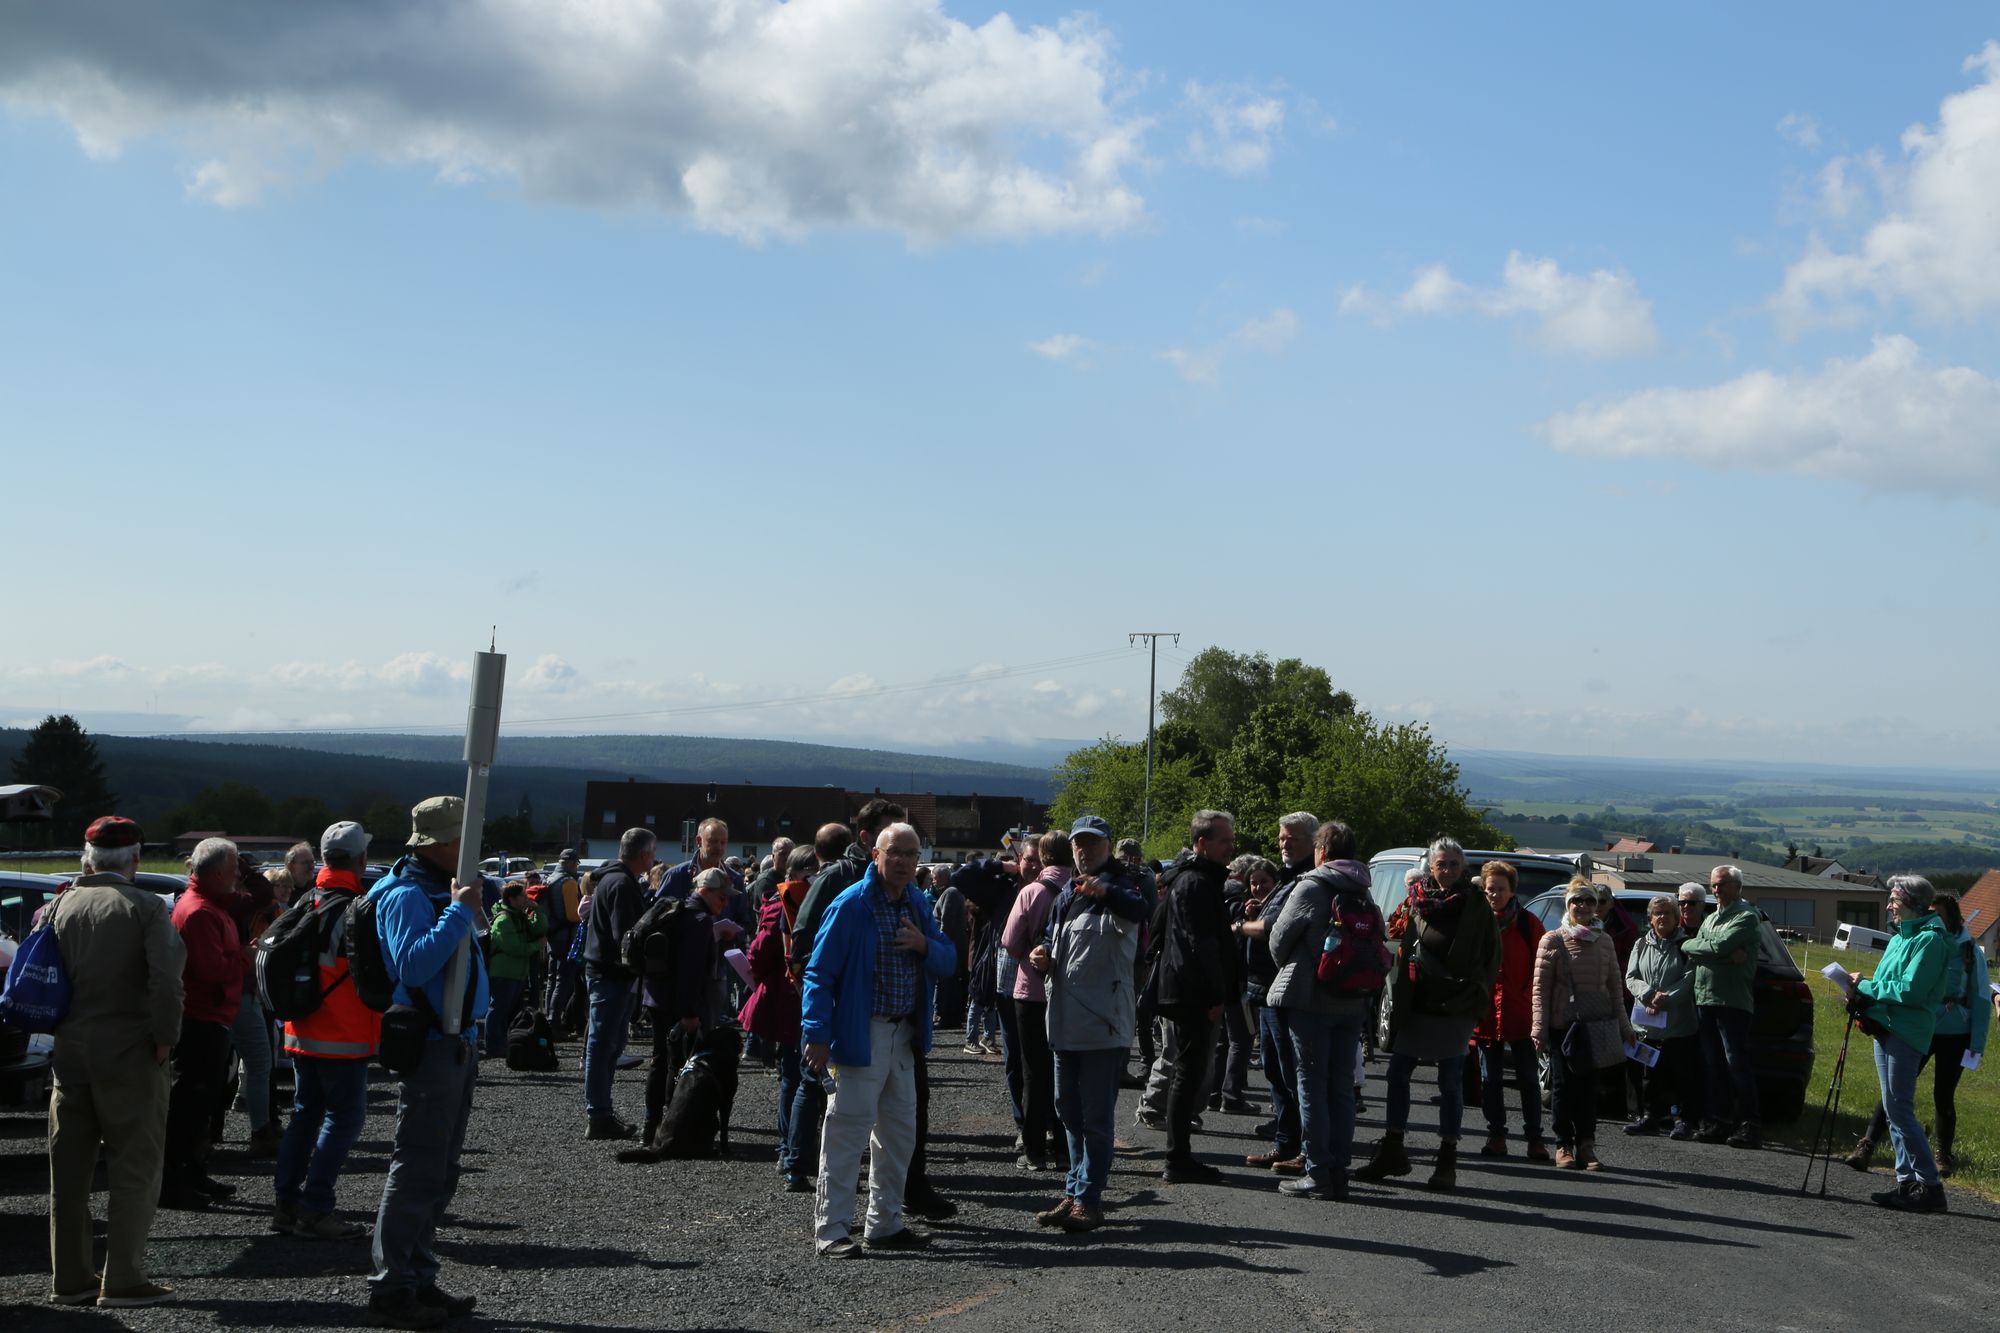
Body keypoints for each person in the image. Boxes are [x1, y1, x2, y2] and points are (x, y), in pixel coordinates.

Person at [47, 816, 184, 1310]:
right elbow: (166, 981)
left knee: (68, 1173)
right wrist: (166, 1039)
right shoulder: (144, 907)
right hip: (130, 1054)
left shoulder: (57, 906)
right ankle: (123, 1278)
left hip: (69, 1054)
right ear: (136, 859)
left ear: (88, 859)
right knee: (134, 1167)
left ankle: (70, 1278)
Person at [364, 796, 490, 1330]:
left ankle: (417, 1274)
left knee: (440, 1169)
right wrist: (459, 911)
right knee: (418, 1166)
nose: (472, 847)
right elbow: (413, 966)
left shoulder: (435, 887)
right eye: (465, 837)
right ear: (445, 842)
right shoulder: (407, 894)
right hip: (432, 1044)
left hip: (454, 1041)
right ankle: (392, 1287)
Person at [801, 823, 955, 1258]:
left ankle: (884, 1223)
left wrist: (924, 946)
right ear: (876, 855)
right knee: (847, 1131)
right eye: (895, 852)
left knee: (899, 1134)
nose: (903, 861)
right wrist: (816, 1033)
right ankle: (831, 1229)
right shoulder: (851, 905)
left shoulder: (918, 904)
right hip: (861, 1032)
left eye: (911, 853)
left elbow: (948, 960)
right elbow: (818, 973)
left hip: (903, 1036)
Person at [1355, 837, 1497, 1191]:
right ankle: (1392, 1149)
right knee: (1397, 1073)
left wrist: (1474, 998)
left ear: (1463, 868)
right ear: (1431, 867)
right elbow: (1401, 941)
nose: (1447, 870)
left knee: (1449, 1082)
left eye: (1453, 864)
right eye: (1441, 864)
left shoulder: (1476, 904)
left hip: (1456, 1005)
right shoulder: (1419, 900)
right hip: (1417, 1001)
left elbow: (1492, 958)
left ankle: (1447, 1159)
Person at [1034, 815, 1148, 1233]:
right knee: (1068, 1111)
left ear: (1109, 846)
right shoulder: (1066, 893)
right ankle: (1074, 1190)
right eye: (1079, 844)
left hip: (1103, 1024)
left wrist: (1106, 892)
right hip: (1064, 1022)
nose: (1084, 851)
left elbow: (1139, 911)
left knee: (1096, 1118)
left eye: (1093, 844)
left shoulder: (1122, 887)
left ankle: (1089, 1198)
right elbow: (1052, 938)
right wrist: (1042, 954)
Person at [273, 821, 383, 1241]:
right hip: (343, 1036)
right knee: (343, 1120)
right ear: (361, 860)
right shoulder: (357, 908)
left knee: (305, 1116)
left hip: (300, 1030)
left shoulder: (307, 901)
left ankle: (286, 1205)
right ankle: (316, 1208)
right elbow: (374, 975)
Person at [1266, 820, 1373, 1200]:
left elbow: (1278, 940)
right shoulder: (1362, 889)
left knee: (1310, 1086)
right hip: (1352, 999)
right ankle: (1338, 1170)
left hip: (1311, 1000)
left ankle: (1317, 1171)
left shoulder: (1312, 886)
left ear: (1322, 851)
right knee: (1341, 1087)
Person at [1849, 894, 1989, 1177]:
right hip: (1917, 1027)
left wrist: (1976, 1044)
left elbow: (1981, 998)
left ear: (1952, 919)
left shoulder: (1969, 951)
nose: (1931, 917)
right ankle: (1867, 1145)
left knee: (1943, 1095)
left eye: (1938, 914)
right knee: (1894, 1092)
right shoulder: (1920, 940)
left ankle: (1942, 1156)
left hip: (1954, 1033)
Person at [1848, 876, 1957, 1212]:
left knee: (1900, 1109)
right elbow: (1886, 982)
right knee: (1893, 1108)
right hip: (1887, 1028)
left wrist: (1866, 988)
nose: (1889, 906)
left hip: (1907, 1032)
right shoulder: (1900, 937)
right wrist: (1860, 993)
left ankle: (1930, 1186)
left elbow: (1911, 990)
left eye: (1894, 900)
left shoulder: (1930, 940)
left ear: (1913, 904)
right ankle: (1907, 1182)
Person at [1147, 809, 1240, 1183]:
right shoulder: (1195, 883)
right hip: (1192, 992)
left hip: (1186, 988)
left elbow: (1159, 932)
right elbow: (1198, 944)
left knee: (1188, 1071)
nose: (1231, 848)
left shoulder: (1189, 880)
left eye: (1232, 840)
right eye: (1224, 841)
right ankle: (1178, 1159)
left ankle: (1179, 1157)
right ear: (1202, 843)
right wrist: (1215, 994)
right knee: (1187, 1073)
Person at [162, 837, 255, 1209]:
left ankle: (192, 1172)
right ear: (217, 873)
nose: (238, 875)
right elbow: (210, 969)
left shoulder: (208, 906)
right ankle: (174, 1182)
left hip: (210, 1016)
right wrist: (246, 957)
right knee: (189, 1103)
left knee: (201, 1103)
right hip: (201, 1019)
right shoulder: (200, 911)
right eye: (234, 868)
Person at [1532, 880, 1637, 1171]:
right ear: (1568, 905)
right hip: (1563, 1027)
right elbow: (1540, 989)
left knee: (1590, 1089)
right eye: (1577, 901)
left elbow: (1615, 988)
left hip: (1595, 1025)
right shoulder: (1553, 939)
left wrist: (1625, 1027)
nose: (1583, 906)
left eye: (1590, 901)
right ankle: (1563, 1144)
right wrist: (1538, 1029)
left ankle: (1586, 1145)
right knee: (1563, 1088)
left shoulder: (1604, 940)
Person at [1236, 815, 1317, 1175]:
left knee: (1291, 1072)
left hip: (1286, 989)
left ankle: (1305, 1150)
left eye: (1292, 839)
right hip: (1268, 989)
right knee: (1274, 1069)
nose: (1284, 844)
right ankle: (1286, 1143)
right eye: (1282, 838)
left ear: (1313, 842)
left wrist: (1241, 927)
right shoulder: (1287, 878)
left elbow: (1275, 928)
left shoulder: (1307, 879)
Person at [644, 867, 742, 1141]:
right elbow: (691, 972)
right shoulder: (699, 921)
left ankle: (652, 1126)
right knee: (678, 1066)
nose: (725, 902)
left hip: (656, 996)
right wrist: (689, 1013)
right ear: (705, 891)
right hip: (678, 1004)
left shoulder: (680, 911)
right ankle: (673, 1127)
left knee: (660, 1061)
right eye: (721, 897)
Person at [744, 844, 819, 1189]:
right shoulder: (785, 904)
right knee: (797, 1077)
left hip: (790, 999)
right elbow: (759, 954)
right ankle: (791, 1149)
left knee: (794, 1076)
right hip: (792, 1000)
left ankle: (790, 1149)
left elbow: (758, 956)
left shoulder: (782, 902)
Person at [580, 827, 659, 1140]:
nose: (654, 859)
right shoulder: (623, 884)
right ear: (644, 854)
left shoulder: (611, 879)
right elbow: (625, 937)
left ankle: (600, 1111)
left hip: (605, 973)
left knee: (605, 1045)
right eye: (653, 853)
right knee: (604, 1046)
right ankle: (598, 1114)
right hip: (611, 975)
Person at [1003, 830, 1072, 1170]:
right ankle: (1065, 1146)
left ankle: (1033, 1150)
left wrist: (1027, 956)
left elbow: (1009, 940)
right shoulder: (1081, 890)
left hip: (1031, 991)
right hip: (1070, 992)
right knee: (1065, 1070)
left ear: (1043, 857)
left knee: (1033, 1070)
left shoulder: (1031, 892)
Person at [1680, 863, 1763, 1149]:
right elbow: (1690, 948)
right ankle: (1719, 1121)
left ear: (1737, 886)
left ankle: (1749, 1125)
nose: (1716, 890)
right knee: (1713, 1065)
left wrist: (1711, 950)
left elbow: (1715, 947)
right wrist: (1720, 955)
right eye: (1713, 885)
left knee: (1736, 1064)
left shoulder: (1746, 917)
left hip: (1732, 1001)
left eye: (1722, 884)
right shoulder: (1711, 918)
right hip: (1705, 998)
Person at [1475, 860, 1549, 1160]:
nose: (1495, 895)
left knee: (1529, 1080)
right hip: (1485, 1014)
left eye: (1500, 889)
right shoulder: (1477, 923)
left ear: (1512, 891)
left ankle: (1534, 1138)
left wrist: (1537, 1009)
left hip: (1522, 1014)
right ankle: (1496, 1136)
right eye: (1490, 889)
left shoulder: (1529, 924)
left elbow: (1542, 970)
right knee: (1489, 1080)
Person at [1624, 893, 1702, 1140]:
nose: (1662, 917)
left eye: (1668, 913)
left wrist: (1664, 998)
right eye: (1657, 913)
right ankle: (1649, 1117)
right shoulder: (1641, 944)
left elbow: (1690, 978)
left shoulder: (1686, 945)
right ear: (1650, 918)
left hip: (1678, 1026)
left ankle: (1682, 1121)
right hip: (1646, 1026)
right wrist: (1648, 995)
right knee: (1649, 1075)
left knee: (1680, 1075)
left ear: (1677, 918)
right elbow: (1631, 977)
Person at [485, 881, 547, 1057]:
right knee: (498, 1009)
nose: (527, 898)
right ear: (512, 899)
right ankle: (493, 1045)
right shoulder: (504, 920)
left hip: (517, 972)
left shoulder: (519, 916)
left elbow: (540, 928)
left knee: (509, 1010)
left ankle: (504, 1043)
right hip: (504, 972)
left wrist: (537, 910)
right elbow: (515, 948)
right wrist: (536, 945)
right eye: (523, 896)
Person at [540, 850, 585, 1018]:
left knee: (551, 979)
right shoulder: (569, 882)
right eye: (576, 864)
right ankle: (554, 1019)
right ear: (571, 863)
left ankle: (547, 1017)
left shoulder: (548, 879)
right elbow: (573, 915)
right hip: (566, 938)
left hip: (551, 935)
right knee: (563, 981)